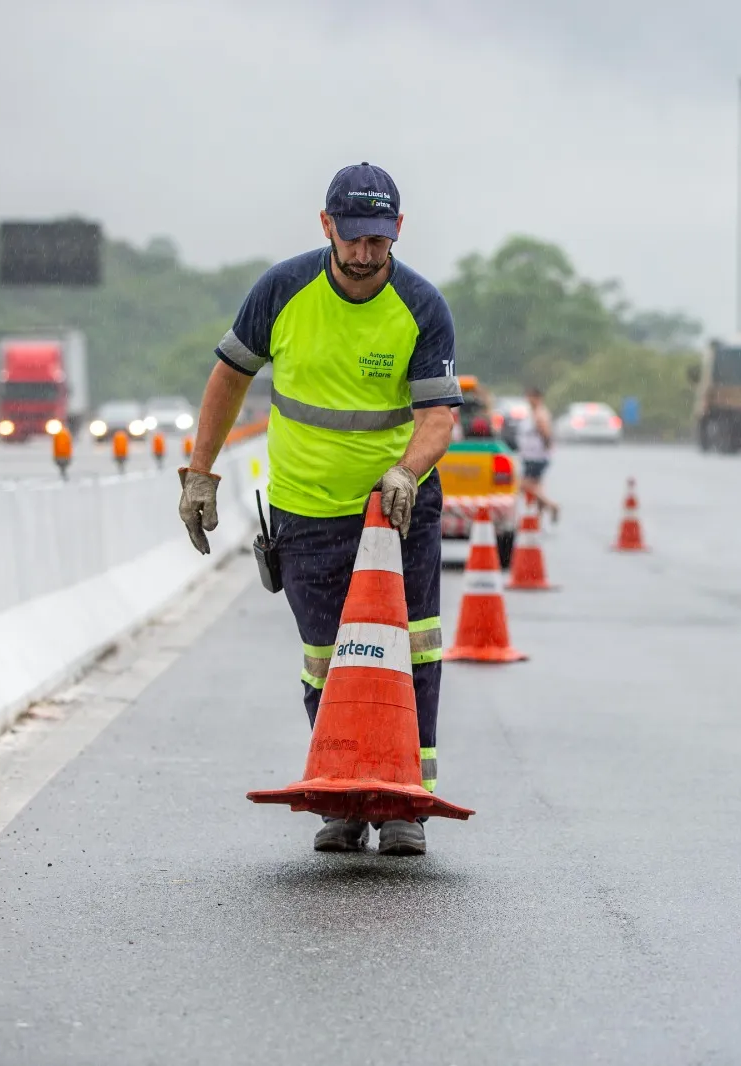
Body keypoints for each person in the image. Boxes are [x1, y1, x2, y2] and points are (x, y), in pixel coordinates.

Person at [176, 162, 462, 857]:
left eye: (379, 241)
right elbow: (228, 380)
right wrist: (200, 474)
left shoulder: (421, 306)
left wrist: (406, 472)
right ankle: (342, 797)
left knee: (413, 650)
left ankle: (404, 805)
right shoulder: (282, 291)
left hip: (394, 512)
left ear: (397, 232)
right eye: (353, 239)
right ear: (327, 226)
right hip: (306, 514)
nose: (365, 256)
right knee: (324, 658)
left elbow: (437, 416)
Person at [517, 385, 558, 522]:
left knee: (524, 485)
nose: (528, 400)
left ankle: (551, 505)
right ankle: (538, 518)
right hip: (531, 455)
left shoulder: (540, 414)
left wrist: (546, 448)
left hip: (536, 456)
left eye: (531, 397)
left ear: (537, 398)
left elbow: (545, 433)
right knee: (538, 487)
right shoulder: (533, 413)